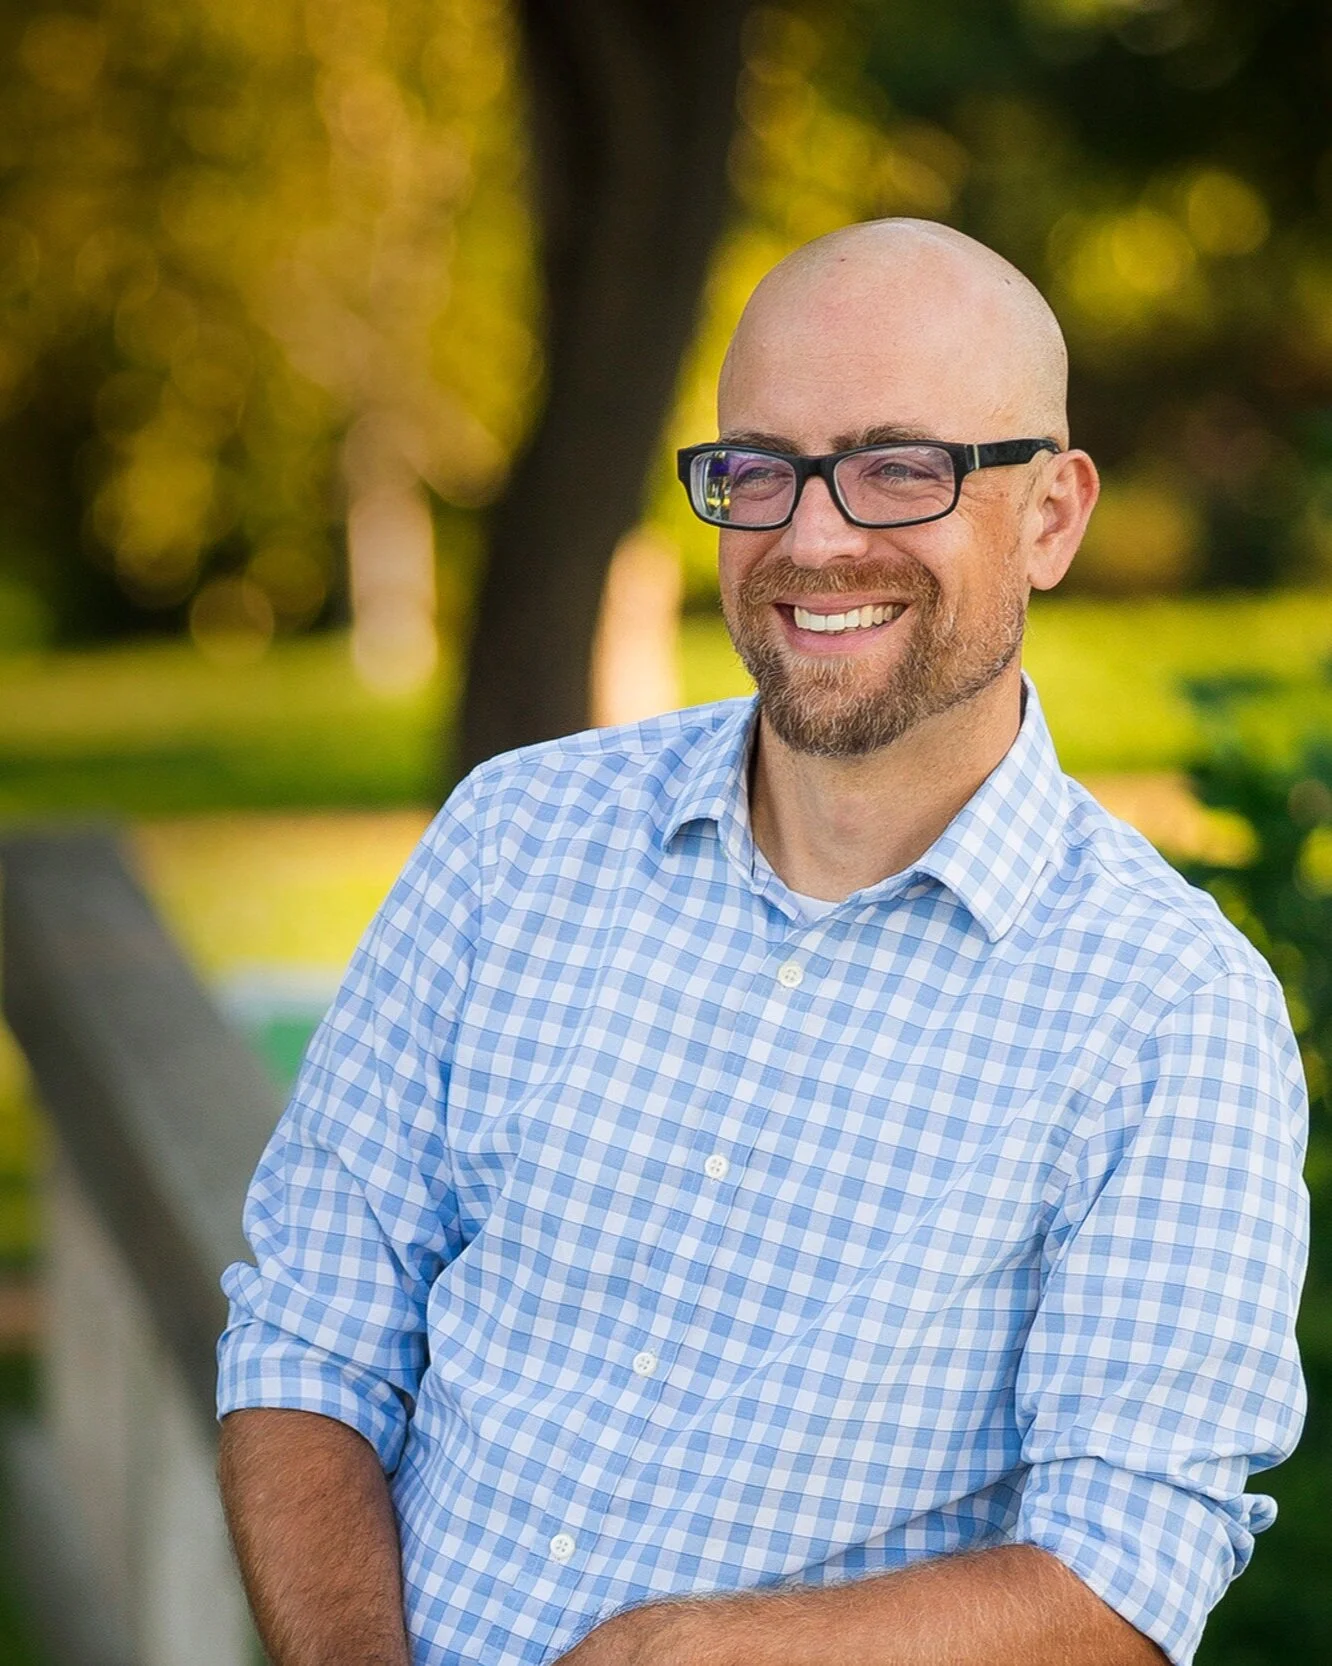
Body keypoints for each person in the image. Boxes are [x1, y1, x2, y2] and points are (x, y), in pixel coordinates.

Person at [217, 219, 1308, 1666]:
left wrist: (703, 1649)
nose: (811, 536)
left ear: (1051, 514)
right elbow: (312, 1334)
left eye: (900, 467)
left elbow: (1122, 1572)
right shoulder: (514, 839)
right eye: (758, 470)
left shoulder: (1172, 1011)